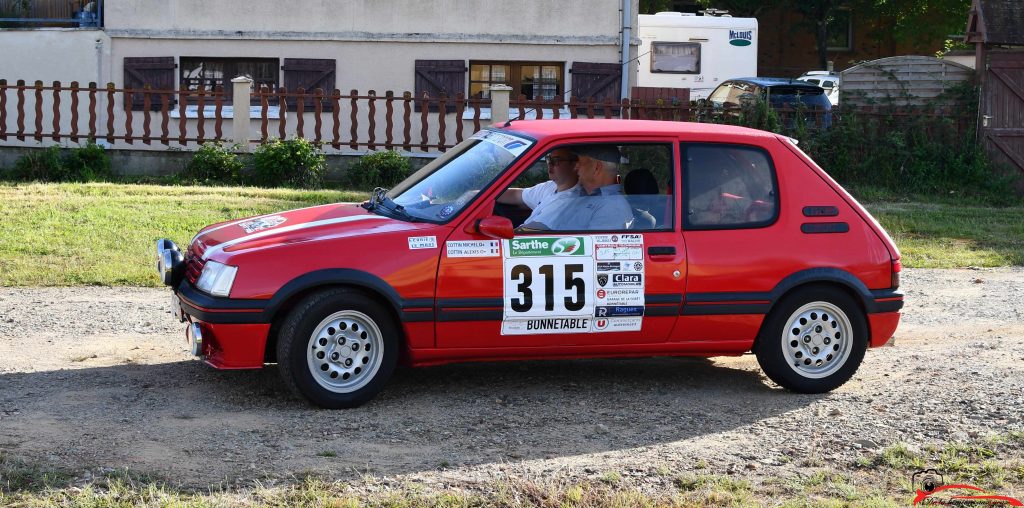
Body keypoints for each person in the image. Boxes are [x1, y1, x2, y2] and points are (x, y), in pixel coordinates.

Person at [542, 145, 633, 231]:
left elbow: (590, 246)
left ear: (596, 168)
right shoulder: (588, 195)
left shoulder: (613, 208)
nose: (575, 167)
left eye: (580, 162)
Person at [498, 148, 580, 229]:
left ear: (575, 165)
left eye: (556, 161)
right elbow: (516, 195)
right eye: (548, 159)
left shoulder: (570, 202)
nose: (549, 164)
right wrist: (489, 194)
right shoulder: (550, 186)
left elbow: (528, 233)